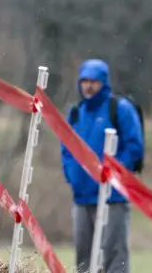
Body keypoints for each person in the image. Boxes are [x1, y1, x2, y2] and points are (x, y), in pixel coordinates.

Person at [61, 58, 143, 273]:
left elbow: (134, 148)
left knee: (114, 256)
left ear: (103, 82)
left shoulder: (120, 109)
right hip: (82, 198)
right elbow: (67, 149)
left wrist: (111, 176)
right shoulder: (76, 113)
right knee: (83, 258)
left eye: (93, 81)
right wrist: (73, 177)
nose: (88, 86)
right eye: (84, 81)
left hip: (112, 198)